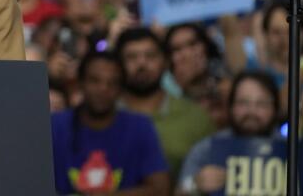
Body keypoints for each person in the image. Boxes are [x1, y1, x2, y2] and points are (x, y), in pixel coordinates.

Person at [50, 50, 171, 194]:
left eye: (112, 83)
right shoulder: (54, 125)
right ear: (80, 83)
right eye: (95, 80)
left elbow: (161, 189)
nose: (103, 89)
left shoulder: (140, 126)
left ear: (121, 89)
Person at [117, 27, 215, 183]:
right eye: (131, 57)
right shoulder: (101, 117)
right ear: (118, 65)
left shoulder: (196, 118)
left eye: (150, 56)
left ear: (165, 62)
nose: (141, 63)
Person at [176, 71, 284, 195]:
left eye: (261, 104)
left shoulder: (293, 151)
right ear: (231, 107)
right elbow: (179, 191)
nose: (251, 111)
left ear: (275, 110)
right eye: (243, 102)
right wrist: (195, 185)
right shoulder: (206, 149)